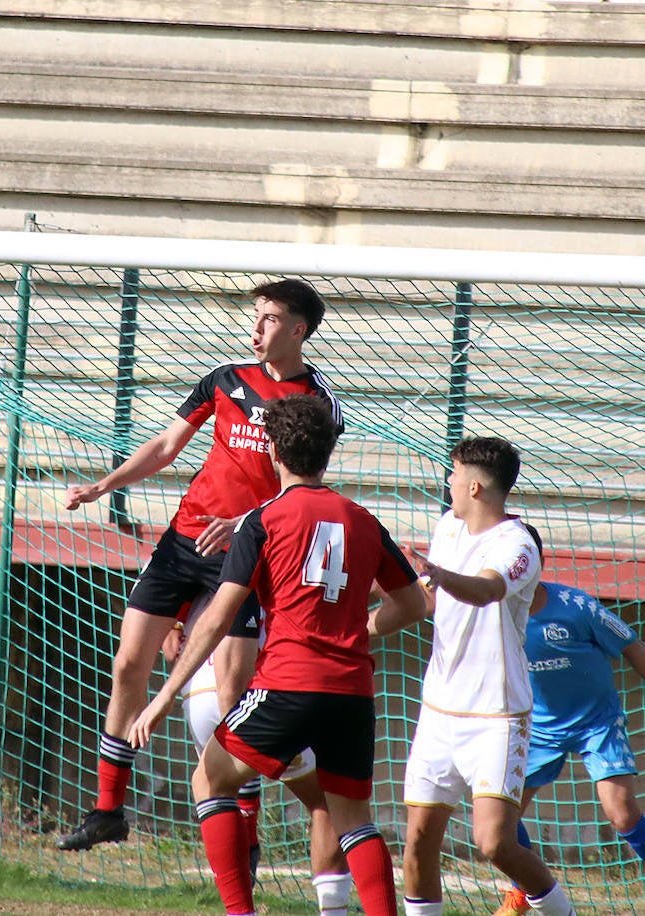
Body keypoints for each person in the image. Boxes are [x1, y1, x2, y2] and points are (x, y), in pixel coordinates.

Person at [58, 279, 343, 851]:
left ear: (298, 330)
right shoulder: (225, 379)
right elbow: (166, 446)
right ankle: (107, 810)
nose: (257, 328)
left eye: (270, 318)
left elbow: (306, 486)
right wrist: (105, 484)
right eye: (255, 316)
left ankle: (246, 830)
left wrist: (243, 524)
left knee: (233, 698)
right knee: (127, 666)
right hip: (183, 542)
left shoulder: (318, 402)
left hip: (247, 553)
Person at [129, 392, 426, 916]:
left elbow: (218, 618)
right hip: (352, 692)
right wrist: (361, 625)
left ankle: (241, 913)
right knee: (354, 818)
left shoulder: (261, 521)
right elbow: (411, 605)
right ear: (328, 453)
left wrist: (161, 697)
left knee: (210, 779)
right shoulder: (361, 519)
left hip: (287, 685)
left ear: (271, 450)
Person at [385, 437, 575, 916]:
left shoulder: (518, 544)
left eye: (453, 474)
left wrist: (444, 577)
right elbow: (429, 599)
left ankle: (561, 911)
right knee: (418, 842)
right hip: (438, 712)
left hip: (496, 716)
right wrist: (363, 627)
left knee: (494, 842)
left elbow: (488, 589)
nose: (447, 482)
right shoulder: (449, 525)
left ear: (473, 485)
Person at [166, 596, 354, 915]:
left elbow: (167, 644)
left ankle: (241, 903)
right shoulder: (256, 552)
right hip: (256, 692)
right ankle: (333, 909)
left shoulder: (176, 553)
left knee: (216, 792)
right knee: (328, 804)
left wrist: (177, 623)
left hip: (196, 693)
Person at [492, 526, 645, 916]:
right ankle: (523, 890)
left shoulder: (576, 606)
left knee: (622, 811)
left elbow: (630, 644)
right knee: (499, 819)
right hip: (538, 728)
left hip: (597, 723)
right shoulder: (496, 618)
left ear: (534, 566)